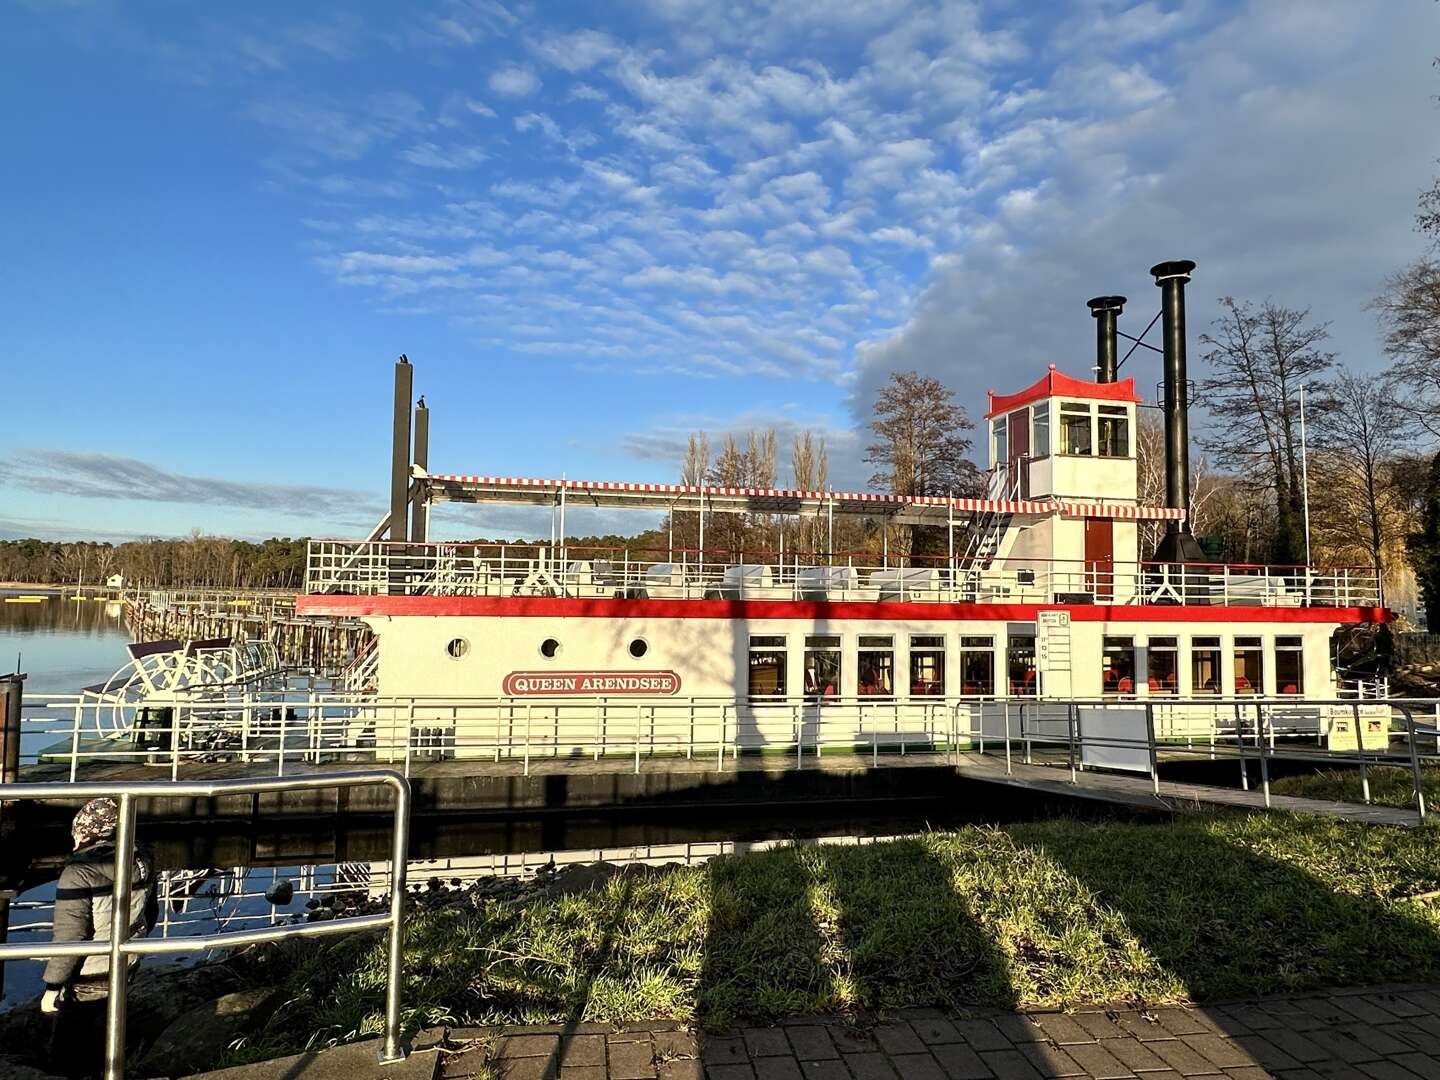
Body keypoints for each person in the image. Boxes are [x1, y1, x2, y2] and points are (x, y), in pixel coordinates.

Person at [40, 798, 158, 1079]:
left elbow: (71, 937)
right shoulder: (142, 859)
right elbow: (150, 913)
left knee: (66, 1047)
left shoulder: (78, 873)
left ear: (83, 833)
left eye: (76, 832)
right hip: (125, 961)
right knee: (107, 1029)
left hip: (88, 974)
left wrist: (52, 988)